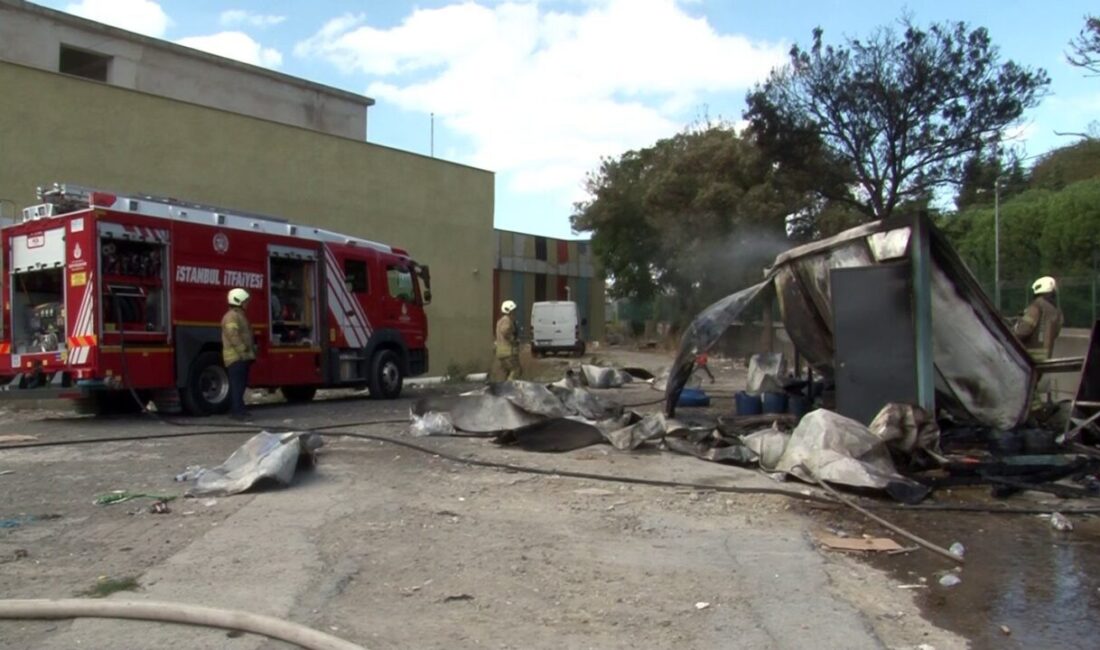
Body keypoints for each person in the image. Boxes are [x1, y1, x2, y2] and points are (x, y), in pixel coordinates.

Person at [222, 288, 256, 420]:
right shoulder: (232, 316)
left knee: (240, 385)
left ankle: (239, 409)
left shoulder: (238, 315)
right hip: (236, 357)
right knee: (237, 385)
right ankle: (237, 412)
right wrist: (243, 350)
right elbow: (232, 335)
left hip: (241, 357)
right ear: (239, 301)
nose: (247, 303)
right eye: (245, 301)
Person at [1014, 276, 1064, 361]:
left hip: (1029, 357)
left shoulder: (1037, 306)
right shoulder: (1057, 312)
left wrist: (1017, 325)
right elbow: (1055, 333)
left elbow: (1023, 330)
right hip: (1045, 357)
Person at [495, 299, 521, 381]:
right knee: (516, 370)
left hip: (500, 352)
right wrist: (513, 339)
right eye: (513, 310)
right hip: (508, 351)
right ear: (509, 310)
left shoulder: (500, 321)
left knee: (505, 372)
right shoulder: (507, 320)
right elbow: (505, 331)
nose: (515, 313)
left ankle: (502, 389)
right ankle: (509, 387)